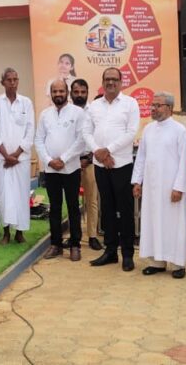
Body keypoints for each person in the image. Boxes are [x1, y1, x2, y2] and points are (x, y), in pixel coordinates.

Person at [132, 91, 186, 279]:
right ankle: (156, 262)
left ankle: (177, 264)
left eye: (158, 105)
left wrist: (179, 187)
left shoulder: (179, 130)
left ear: (170, 108)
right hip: (151, 188)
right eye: (153, 105)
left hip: (171, 188)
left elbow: (185, 161)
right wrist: (137, 181)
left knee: (174, 224)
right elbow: (141, 157)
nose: (153, 108)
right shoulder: (148, 130)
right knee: (152, 222)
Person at [84, 67, 140, 271]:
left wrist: (108, 151)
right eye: (107, 79)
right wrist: (98, 152)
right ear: (102, 82)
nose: (110, 82)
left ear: (121, 82)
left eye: (114, 79)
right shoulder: (94, 106)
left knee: (125, 210)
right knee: (106, 209)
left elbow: (131, 132)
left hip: (121, 165)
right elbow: (86, 132)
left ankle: (127, 254)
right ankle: (110, 251)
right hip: (100, 166)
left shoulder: (130, 104)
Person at [36, 80, 86, 261]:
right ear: (51, 93)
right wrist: (49, 161)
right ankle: (55, 244)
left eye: (61, 91)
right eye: (55, 91)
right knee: (54, 208)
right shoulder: (45, 114)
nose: (58, 94)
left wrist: (63, 159)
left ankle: (75, 245)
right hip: (51, 170)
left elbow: (81, 140)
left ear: (67, 92)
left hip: (71, 168)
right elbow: (38, 140)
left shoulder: (78, 113)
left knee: (73, 207)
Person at [0, 68, 35, 245]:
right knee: (3, 195)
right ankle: (6, 232)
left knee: (21, 194)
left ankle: (20, 233)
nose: (13, 82)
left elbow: (30, 131)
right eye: (9, 80)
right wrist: (6, 156)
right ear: (2, 83)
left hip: (20, 159)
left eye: (15, 79)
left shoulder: (26, 103)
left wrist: (15, 155)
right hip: (2, 160)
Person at [72, 79, 103, 251]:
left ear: (87, 93)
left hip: (90, 161)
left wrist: (89, 158)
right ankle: (74, 236)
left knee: (92, 200)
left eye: (83, 92)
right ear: (71, 93)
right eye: (76, 92)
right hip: (70, 163)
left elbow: (98, 136)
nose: (79, 95)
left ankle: (92, 236)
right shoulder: (67, 112)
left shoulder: (94, 111)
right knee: (72, 201)